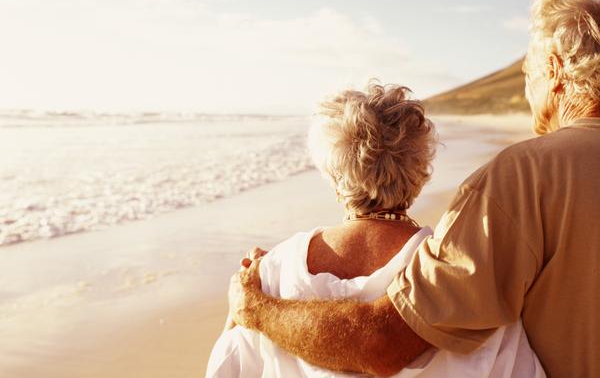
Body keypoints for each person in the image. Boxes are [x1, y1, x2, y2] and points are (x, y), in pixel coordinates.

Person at [228, 0, 600, 378]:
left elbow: (384, 343)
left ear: (555, 70)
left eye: (528, 72)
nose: (527, 89)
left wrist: (257, 309)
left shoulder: (523, 176)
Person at [207, 84, 545, 377]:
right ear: (419, 173)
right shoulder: (457, 275)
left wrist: (242, 310)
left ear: (333, 175)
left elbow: (229, 366)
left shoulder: (268, 274)